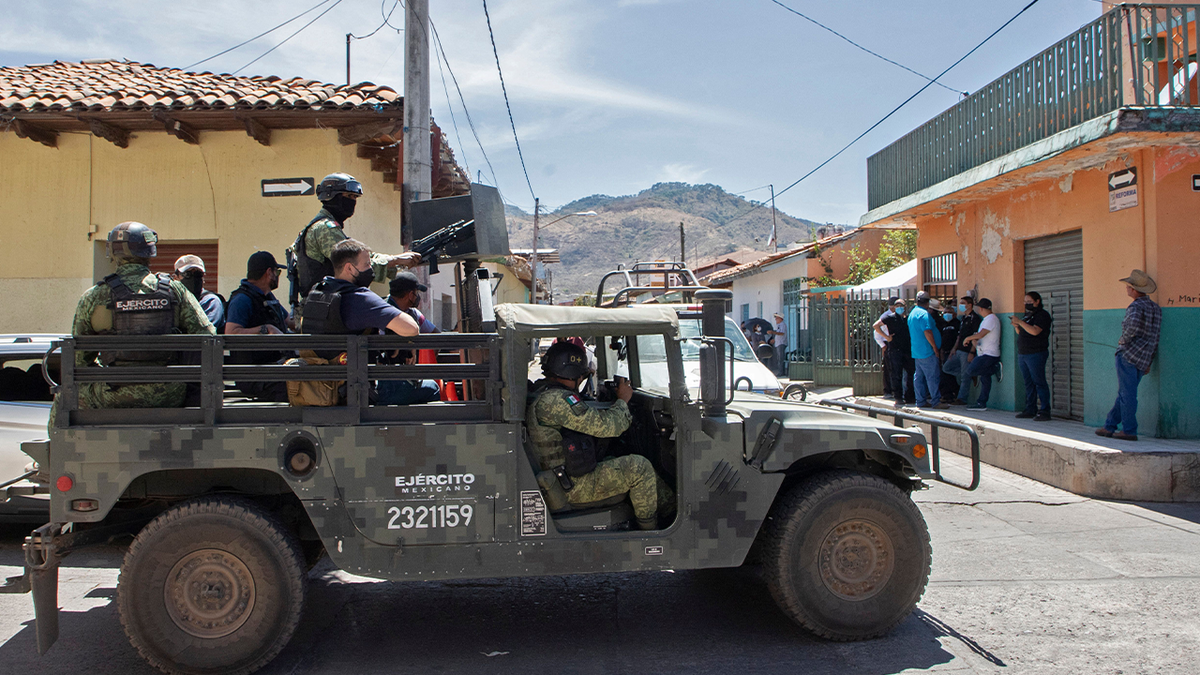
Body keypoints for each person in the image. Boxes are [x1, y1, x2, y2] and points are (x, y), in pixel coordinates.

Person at [526, 340, 674, 530]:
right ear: (572, 372)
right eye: (581, 375)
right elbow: (609, 427)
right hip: (572, 486)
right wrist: (622, 400)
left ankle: (670, 511)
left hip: (564, 477)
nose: (582, 379)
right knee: (639, 467)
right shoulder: (556, 400)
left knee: (620, 459)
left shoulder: (542, 392)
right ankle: (652, 534)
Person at [69, 222, 215, 410]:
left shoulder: (94, 296)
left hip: (113, 394)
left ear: (113, 253)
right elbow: (208, 335)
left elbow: (79, 359)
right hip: (169, 393)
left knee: (64, 395)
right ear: (150, 251)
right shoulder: (174, 289)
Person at [301, 239, 433, 405]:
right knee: (431, 387)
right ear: (349, 268)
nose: (371, 270)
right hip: (356, 393)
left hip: (318, 389)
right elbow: (411, 328)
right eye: (367, 264)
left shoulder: (317, 292)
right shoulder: (359, 298)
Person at [290, 172, 423, 305]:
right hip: (323, 308)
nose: (352, 201)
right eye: (349, 196)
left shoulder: (328, 227)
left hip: (327, 305)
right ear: (332, 197)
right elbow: (355, 267)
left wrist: (398, 260)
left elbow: (364, 258)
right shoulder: (325, 229)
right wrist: (395, 260)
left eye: (355, 197)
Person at [1096, 270, 1161, 441]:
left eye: (1128, 287)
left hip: (1129, 356)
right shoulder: (1155, 308)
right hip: (1143, 358)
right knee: (1126, 393)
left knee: (1127, 394)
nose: (1126, 289)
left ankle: (1129, 430)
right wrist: (1149, 361)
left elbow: (1130, 328)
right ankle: (1109, 426)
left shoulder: (1135, 307)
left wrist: (1122, 342)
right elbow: (1155, 337)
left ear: (1133, 289)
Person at [225, 251, 292, 401]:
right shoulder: (242, 299)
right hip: (254, 375)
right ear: (269, 273)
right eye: (277, 272)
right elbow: (230, 333)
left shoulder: (267, 297)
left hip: (273, 368)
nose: (278, 276)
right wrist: (265, 329)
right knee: (297, 389)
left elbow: (290, 322)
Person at [1011, 291, 1053, 421]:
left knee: (1039, 381)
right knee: (1028, 383)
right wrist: (1016, 326)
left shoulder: (1042, 315)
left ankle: (1045, 410)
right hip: (1023, 353)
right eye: (1025, 302)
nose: (1026, 304)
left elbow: (1035, 331)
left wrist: (1021, 322)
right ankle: (1030, 408)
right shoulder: (1028, 315)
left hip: (1036, 353)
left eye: (1029, 302)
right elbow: (1022, 332)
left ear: (1037, 301)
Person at [954, 298, 1001, 410]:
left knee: (970, 371)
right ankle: (981, 403)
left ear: (981, 308)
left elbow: (981, 334)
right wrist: (975, 344)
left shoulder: (991, 319)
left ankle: (994, 369)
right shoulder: (986, 319)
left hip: (989, 354)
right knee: (985, 379)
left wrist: (968, 338)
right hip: (983, 352)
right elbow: (982, 337)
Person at [907, 291, 947, 409]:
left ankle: (920, 401)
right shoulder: (924, 314)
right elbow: (928, 331)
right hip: (927, 350)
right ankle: (936, 401)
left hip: (917, 350)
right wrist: (935, 347)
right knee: (932, 376)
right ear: (928, 302)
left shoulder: (912, 313)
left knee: (919, 377)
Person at [173, 255, 225, 333]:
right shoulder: (173, 300)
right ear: (176, 277)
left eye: (198, 274)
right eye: (188, 274)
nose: (193, 278)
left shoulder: (210, 301)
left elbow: (203, 332)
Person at [876, 298, 914, 406]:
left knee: (910, 373)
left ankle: (909, 396)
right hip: (895, 350)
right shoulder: (889, 317)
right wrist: (886, 338)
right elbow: (876, 326)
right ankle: (898, 397)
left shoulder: (907, 319)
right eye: (897, 306)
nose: (899, 308)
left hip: (907, 349)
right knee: (896, 374)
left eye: (901, 306)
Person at [943, 296, 979, 390]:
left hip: (967, 351)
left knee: (964, 377)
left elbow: (976, 337)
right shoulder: (963, 318)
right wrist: (954, 348)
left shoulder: (974, 318)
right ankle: (970, 373)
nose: (961, 305)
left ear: (970, 305)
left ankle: (962, 398)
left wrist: (972, 352)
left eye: (963, 303)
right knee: (946, 368)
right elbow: (959, 336)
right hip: (958, 350)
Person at [937, 299, 961, 403]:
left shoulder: (957, 323)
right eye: (945, 313)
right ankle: (948, 395)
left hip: (953, 352)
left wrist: (954, 349)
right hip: (945, 352)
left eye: (950, 312)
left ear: (954, 314)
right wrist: (941, 351)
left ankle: (954, 393)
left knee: (947, 373)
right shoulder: (943, 325)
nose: (947, 315)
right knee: (945, 374)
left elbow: (958, 337)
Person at [873, 296, 897, 398]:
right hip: (887, 343)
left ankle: (895, 389)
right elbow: (876, 332)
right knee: (888, 368)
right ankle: (887, 390)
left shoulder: (897, 315)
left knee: (895, 367)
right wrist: (884, 343)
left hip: (895, 343)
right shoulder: (886, 316)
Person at [770, 312, 788, 376]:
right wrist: (774, 340)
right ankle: (780, 371)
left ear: (780, 318)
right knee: (779, 358)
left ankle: (781, 372)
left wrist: (773, 332)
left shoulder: (782, 325)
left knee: (781, 358)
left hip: (781, 343)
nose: (775, 319)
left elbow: (782, 333)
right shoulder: (779, 325)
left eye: (777, 318)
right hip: (778, 343)